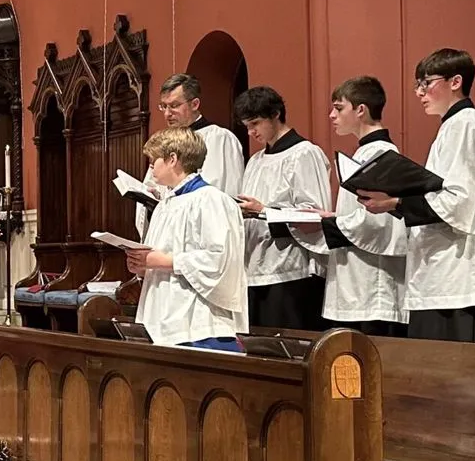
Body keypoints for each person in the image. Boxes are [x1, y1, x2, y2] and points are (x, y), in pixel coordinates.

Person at [358, 49, 475, 344]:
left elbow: (461, 201)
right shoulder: (452, 127)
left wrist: (395, 202)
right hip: (447, 273)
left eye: (427, 83)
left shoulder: (468, 124)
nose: (420, 92)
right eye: (417, 85)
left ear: (455, 81)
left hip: (466, 273)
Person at [125, 127, 248, 351]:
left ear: (173, 159)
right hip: (162, 315)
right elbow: (158, 254)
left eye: (154, 160)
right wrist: (142, 265)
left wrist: (162, 261)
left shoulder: (212, 200)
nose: (150, 167)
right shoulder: (165, 205)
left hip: (199, 322)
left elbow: (219, 260)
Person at [307, 77, 407, 336]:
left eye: (339, 108)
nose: (331, 115)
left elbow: (378, 221)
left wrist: (326, 224)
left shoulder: (380, 155)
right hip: (355, 277)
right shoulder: (364, 153)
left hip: (373, 283)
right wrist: (330, 216)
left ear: (360, 110)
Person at [232, 86, 331, 331]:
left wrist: (265, 210)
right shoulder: (255, 161)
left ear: (275, 114)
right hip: (254, 265)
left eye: (255, 123)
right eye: (247, 125)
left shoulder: (305, 153)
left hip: (291, 270)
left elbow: (315, 213)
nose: (251, 132)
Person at [139, 74, 247, 235]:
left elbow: (226, 193)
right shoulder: (164, 143)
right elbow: (153, 184)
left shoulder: (220, 139)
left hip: (199, 233)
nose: (167, 113)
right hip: (169, 231)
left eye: (174, 105)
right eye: (163, 106)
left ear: (195, 104)